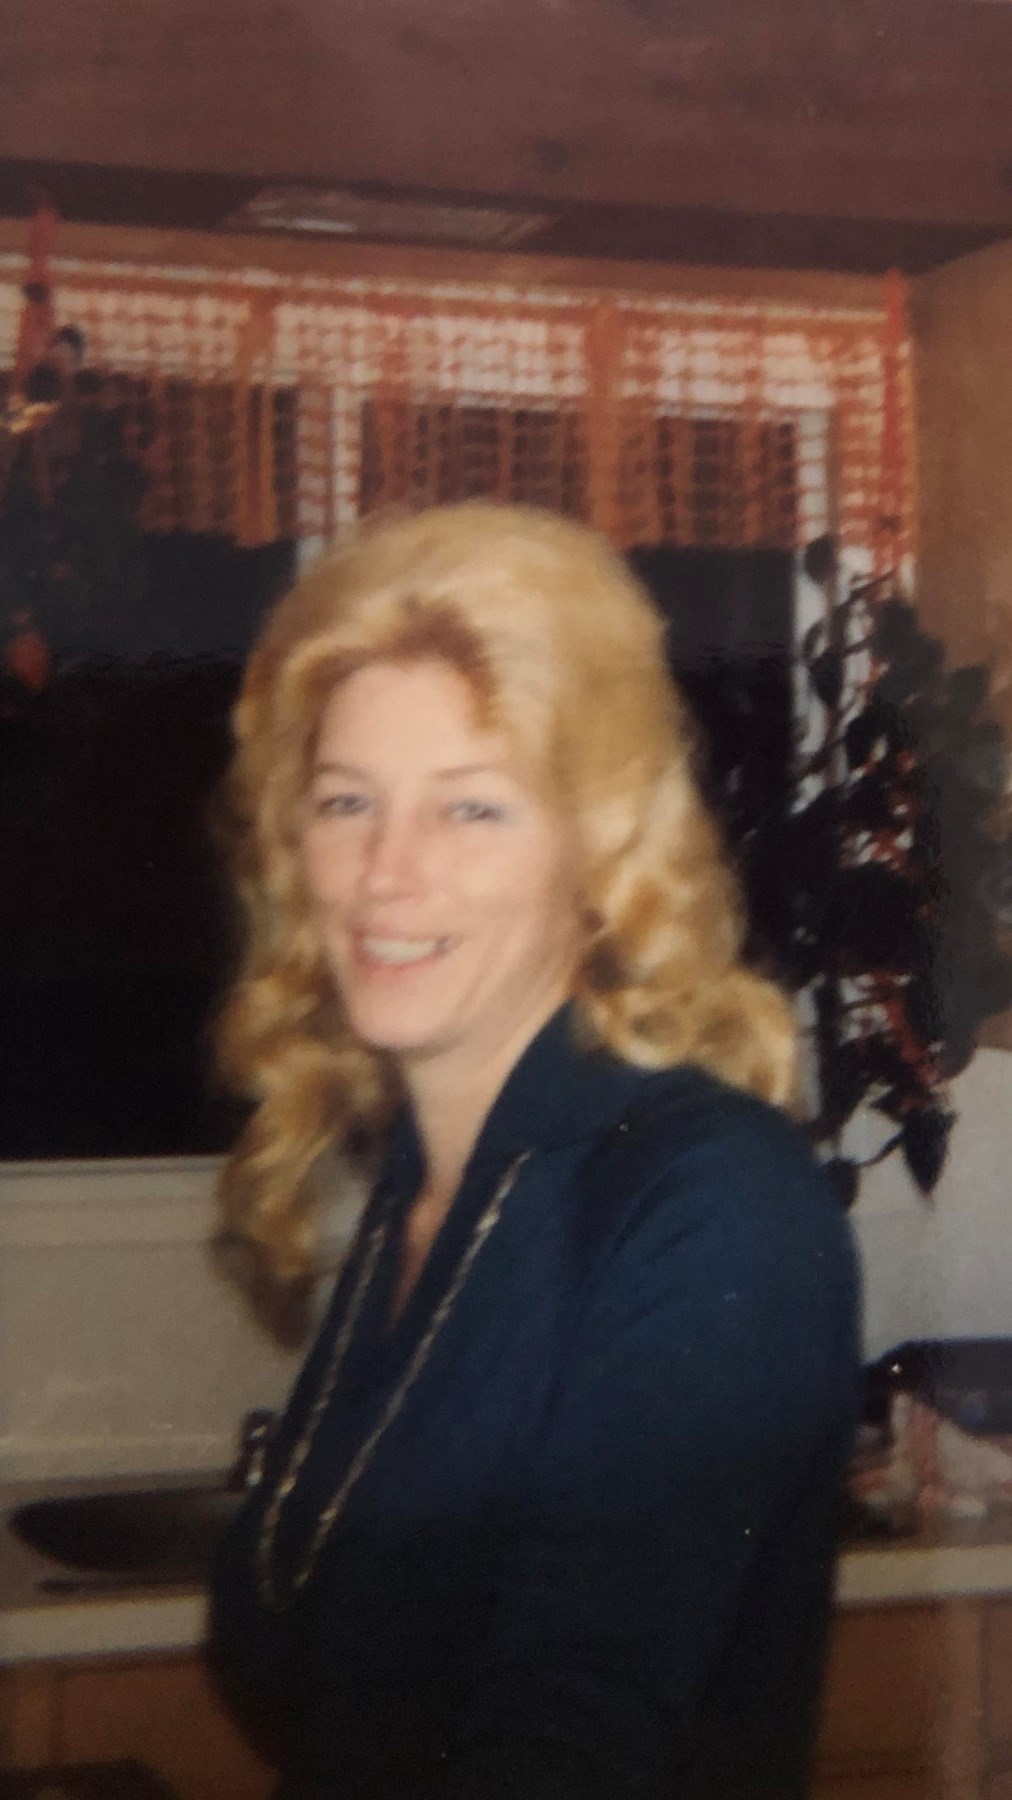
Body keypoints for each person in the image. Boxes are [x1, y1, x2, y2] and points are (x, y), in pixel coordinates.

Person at [207, 500, 859, 1800]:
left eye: (471, 809)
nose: (386, 872)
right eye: (347, 801)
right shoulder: (426, 1188)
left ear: (595, 855)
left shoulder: (710, 1204)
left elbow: (565, 1745)